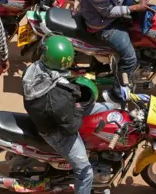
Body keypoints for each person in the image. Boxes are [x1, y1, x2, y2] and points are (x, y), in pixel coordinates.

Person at [22, 35, 117, 194]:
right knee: (85, 171)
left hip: (52, 112)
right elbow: (71, 127)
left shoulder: (36, 69)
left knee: (108, 107)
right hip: (54, 130)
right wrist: (78, 110)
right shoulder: (58, 99)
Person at [76, 0, 149, 103]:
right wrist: (133, 8)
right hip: (101, 24)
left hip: (111, 12)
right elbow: (108, 12)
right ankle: (116, 95)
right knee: (130, 58)